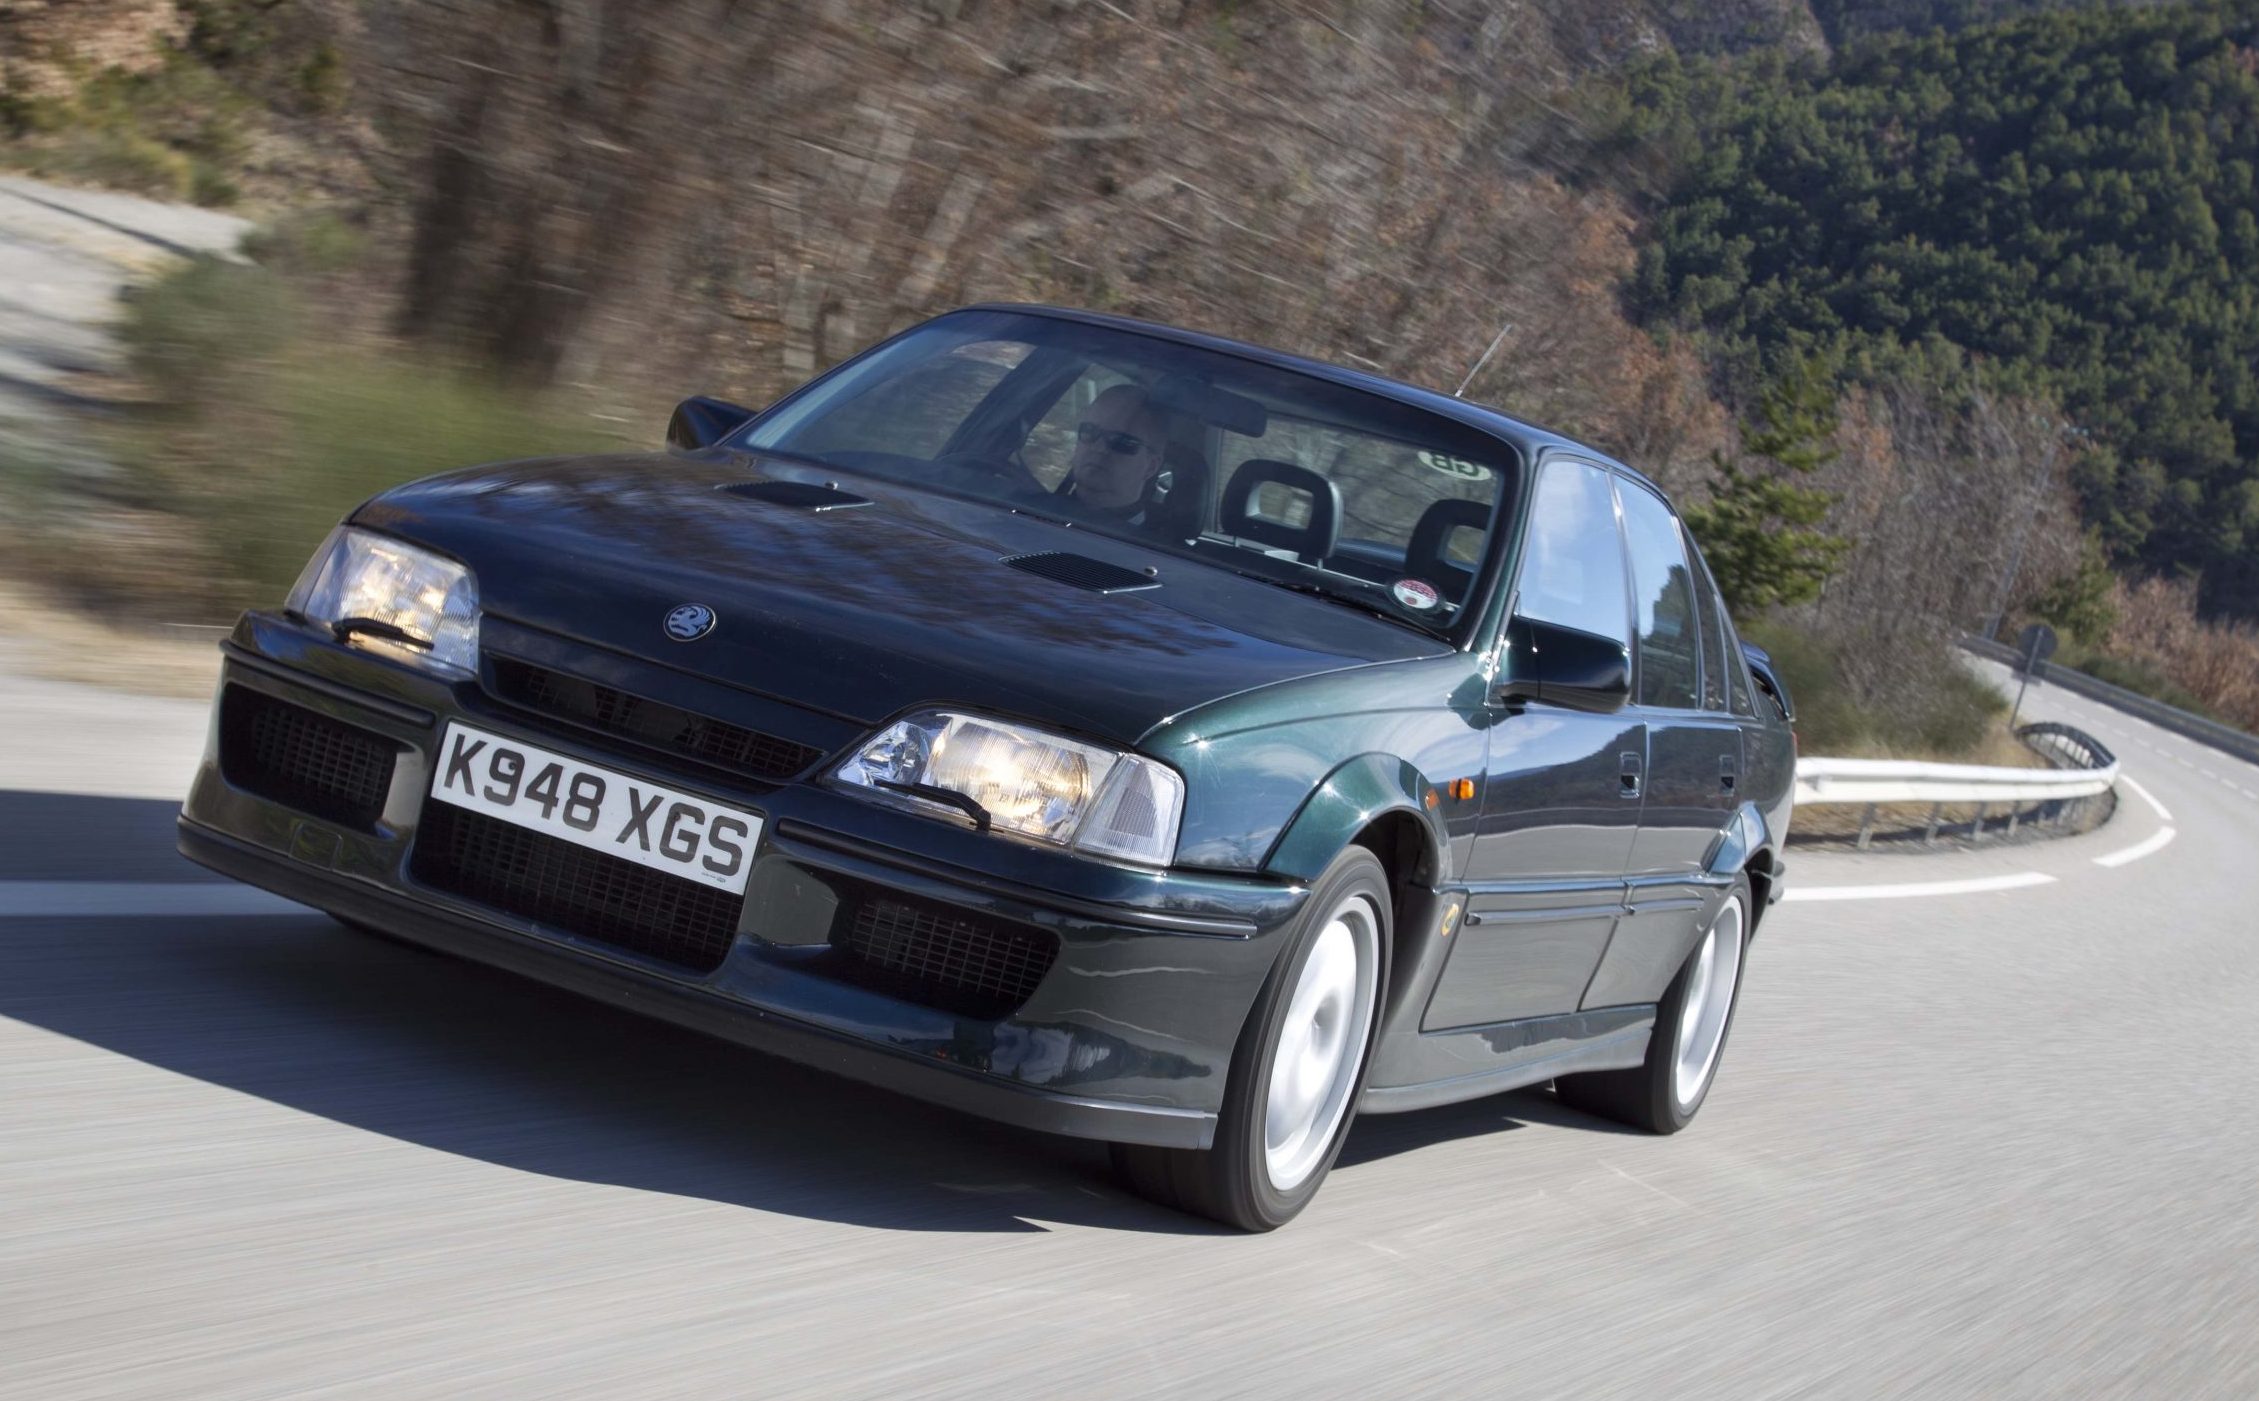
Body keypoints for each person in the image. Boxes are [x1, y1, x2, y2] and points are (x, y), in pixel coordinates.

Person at [1060, 384, 1170, 521]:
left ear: (1151, 466)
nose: (1098, 448)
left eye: (1121, 442)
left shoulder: (1146, 541)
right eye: (1089, 431)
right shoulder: (1033, 510)